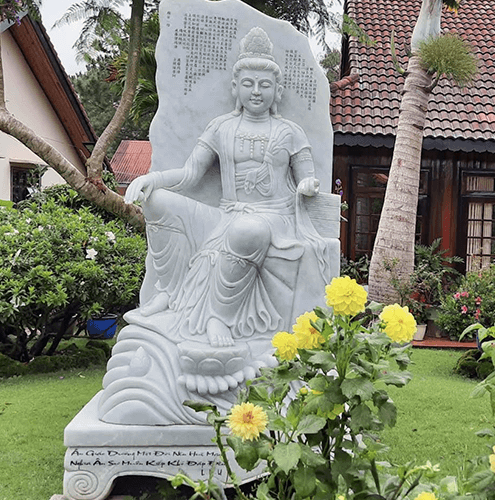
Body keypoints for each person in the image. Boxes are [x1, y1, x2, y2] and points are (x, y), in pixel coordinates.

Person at [98, 27, 335, 424]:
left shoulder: (289, 131)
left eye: (264, 85)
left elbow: (307, 175)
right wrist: (152, 180)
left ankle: (218, 317)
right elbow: (191, 175)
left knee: (249, 231)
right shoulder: (222, 127)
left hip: (273, 218)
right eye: (248, 84)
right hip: (225, 212)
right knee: (161, 203)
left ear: (276, 91)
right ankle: (167, 292)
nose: (256, 91)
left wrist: (309, 185)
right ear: (236, 87)